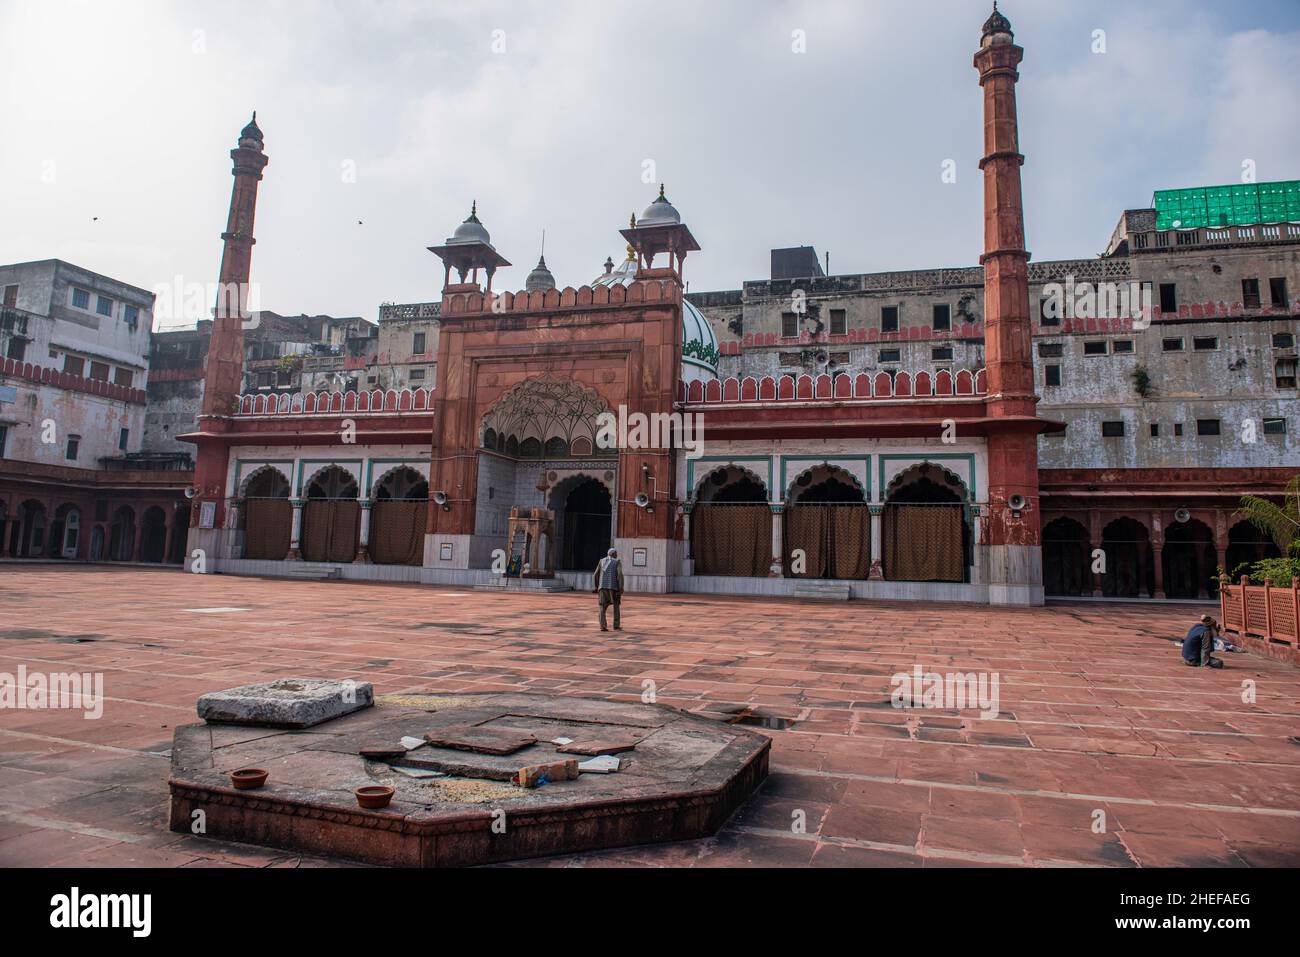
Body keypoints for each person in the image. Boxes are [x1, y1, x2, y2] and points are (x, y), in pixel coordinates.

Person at [592, 547, 624, 632]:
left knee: (602, 607)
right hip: (613, 588)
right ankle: (616, 626)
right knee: (616, 606)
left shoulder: (601, 561)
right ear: (612, 554)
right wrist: (620, 587)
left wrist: (596, 586)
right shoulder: (617, 562)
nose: (617, 555)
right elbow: (620, 574)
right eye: (616, 553)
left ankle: (603, 626)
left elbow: (595, 574)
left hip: (602, 588)